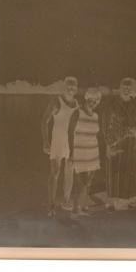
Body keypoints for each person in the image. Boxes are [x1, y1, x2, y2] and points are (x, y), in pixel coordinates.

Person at [103, 77, 136, 210]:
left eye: (129, 87)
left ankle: (128, 200)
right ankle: (112, 202)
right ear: (119, 88)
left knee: (130, 171)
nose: (127, 89)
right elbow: (106, 125)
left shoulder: (134, 103)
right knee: (115, 171)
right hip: (116, 141)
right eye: (124, 87)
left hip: (131, 143)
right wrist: (109, 144)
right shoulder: (112, 104)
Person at [41, 76, 79, 216]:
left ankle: (66, 200)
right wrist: (46, 141)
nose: (71, 88)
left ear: (76, 88)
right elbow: (44, 121)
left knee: (69, 173)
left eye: (73, 86)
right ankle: (51, 205)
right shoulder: (56, 102)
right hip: (57, 141)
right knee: (55, 173)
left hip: (71, 142)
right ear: (64, 87)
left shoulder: (76, 104)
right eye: (68, 85)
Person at [68, 87, 102, 216]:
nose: (94, 102)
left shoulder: (96, 116)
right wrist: (71, 153)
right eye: (92, 99)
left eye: (97, 100)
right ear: (86, 98)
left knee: (89, 181)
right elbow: (70, 133)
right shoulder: (77, 113)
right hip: (80, 152)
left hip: (93, 152)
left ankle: (83, 205)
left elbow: (96, 135)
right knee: (81, 182)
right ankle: (76, 209)